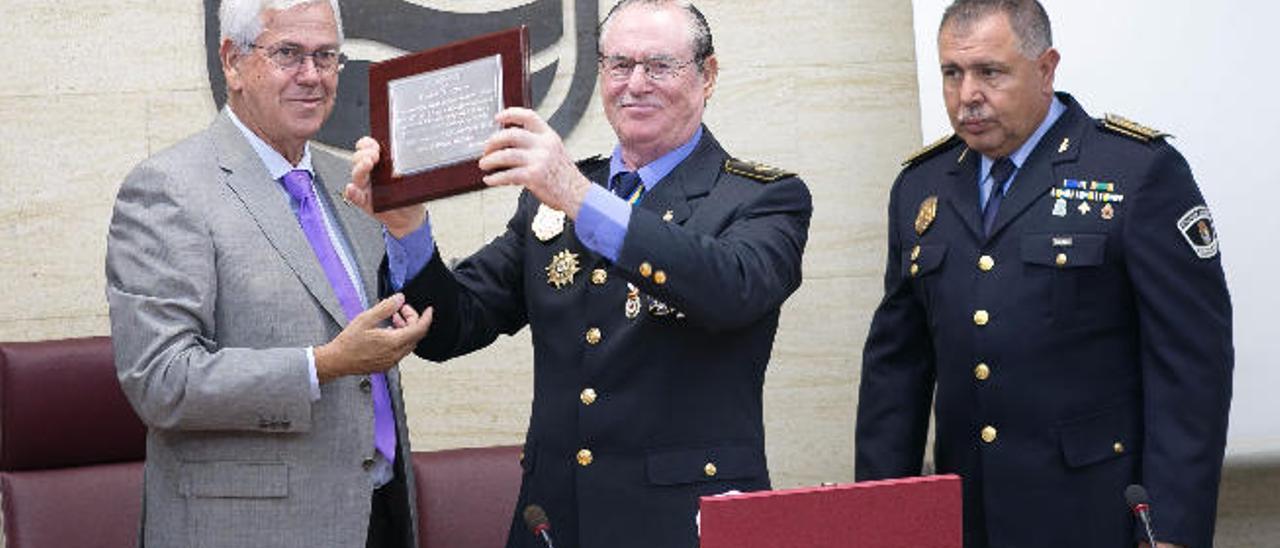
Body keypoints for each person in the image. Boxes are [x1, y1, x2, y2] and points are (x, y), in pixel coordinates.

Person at [344, 1, 811, 546]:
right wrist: (407, 228)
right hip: (553, 524)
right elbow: (452, 327)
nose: (635, 83)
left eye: (659, 66)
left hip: (681, 525)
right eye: (618, 65)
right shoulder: (554, 200)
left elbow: (729, 289)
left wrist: (577, 195)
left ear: (707, 75)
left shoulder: (763, 197)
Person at [854, 1, 1233, 547]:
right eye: (952, 74)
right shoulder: (921, 187)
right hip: (970, 520)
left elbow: (1192, 370)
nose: (967, 96)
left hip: (1097, 516)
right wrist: (882, 520)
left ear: (1046, 68)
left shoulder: (1135, 173)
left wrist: (1170, 529)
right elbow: (896, 372)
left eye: (990, 72)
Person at [105, 1, 433, 546]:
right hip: (248, 530)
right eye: (288, 54)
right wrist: (322, 365)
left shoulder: (348, 184)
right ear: (232, 62)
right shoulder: (168, 188)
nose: (312, 76)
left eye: (326, 56)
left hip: (374, 514)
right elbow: (161, 380)